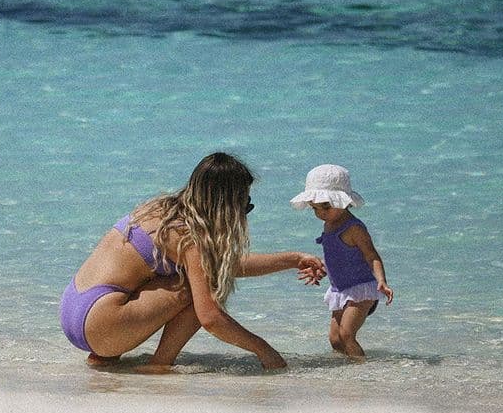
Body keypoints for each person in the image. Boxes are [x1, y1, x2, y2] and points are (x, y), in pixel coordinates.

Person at [60, 152, 325, 371]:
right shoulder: (190, 238)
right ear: (226, 206)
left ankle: (105, 356)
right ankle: (159, 365)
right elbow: (209, 317)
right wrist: (263, 349)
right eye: (245, 206)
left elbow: (223, 263)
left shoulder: (160, 209)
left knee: (193, 275)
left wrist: (292, 260)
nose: (246, 212)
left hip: (75, 309)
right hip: (101, 326)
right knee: (202, 288)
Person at [291, 164, 394, 361]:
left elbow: (371, 255)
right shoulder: (329, 224)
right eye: (315, 208)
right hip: (340, 290)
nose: (321, 212)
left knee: (347, 335)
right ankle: (343, 373)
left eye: (326, 206)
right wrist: (320, 268)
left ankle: (363, 369)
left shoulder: (354, 228)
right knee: (335, 339)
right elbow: (338, 256)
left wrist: (381, 280)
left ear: (343, 201)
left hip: (361, 289)